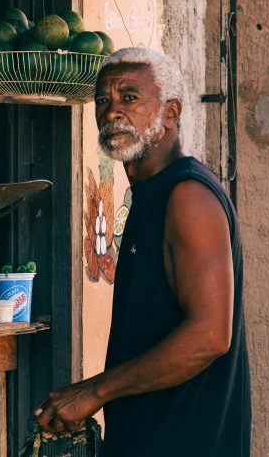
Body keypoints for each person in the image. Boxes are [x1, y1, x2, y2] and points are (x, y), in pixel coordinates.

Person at [34, 48, 251, 456]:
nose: (113, 112)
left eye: (130, 98)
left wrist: (94, 390)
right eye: (103, 100)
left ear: (170, 112)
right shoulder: (149, 194)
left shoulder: (187, 195)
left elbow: (210, 335)